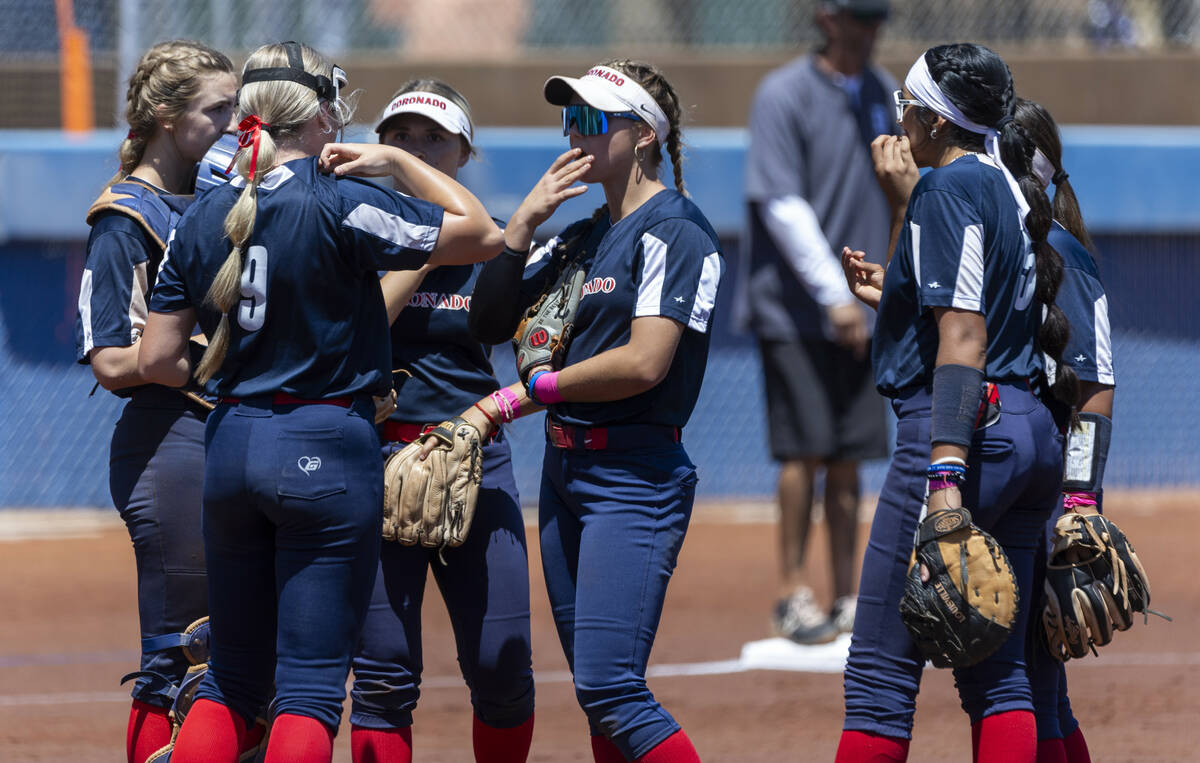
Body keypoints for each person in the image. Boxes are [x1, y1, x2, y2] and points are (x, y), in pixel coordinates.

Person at [137, 41, 504, 763]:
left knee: (233, 679)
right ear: (322, 116)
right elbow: (482, 232)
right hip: (327, 443)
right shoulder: (341, 200)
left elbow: (156, 357)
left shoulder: (208, 211)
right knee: (307, 689)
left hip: (233, 437)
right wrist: (399, 163)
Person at [469, 59, 722, 763]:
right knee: (598, 694)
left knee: (611, 687)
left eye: (590, 120)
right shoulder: (581, 235)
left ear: (644, 135)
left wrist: (530, 392)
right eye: (567, 118)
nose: (573, 134)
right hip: (567, 472)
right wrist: (522, 222)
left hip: (634, 477)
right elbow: (487, 320)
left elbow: (646, 362)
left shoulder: (676, 230)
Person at [832, 43, 1077, 761]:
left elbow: (965, 335)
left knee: (879, 673)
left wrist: (943, 476)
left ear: (936, 123)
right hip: (1027, 427)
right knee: (998, 676)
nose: (900, 118)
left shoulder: (944, 188)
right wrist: (897, 295)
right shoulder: (1008, 183)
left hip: (966, 433)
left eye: (908, 106)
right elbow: (982, 312)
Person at [348, 79, 536, 763]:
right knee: (383, 675)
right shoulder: (352, 238)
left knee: (502, 667)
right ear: (378, 150)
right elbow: (355, 328)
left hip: (474, 461)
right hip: (372, 462)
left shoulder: (496, 248)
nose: (415, 149)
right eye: (399, 137)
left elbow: (544, 353)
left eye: (434, 139)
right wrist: (428, 235)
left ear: (464, 153)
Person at [73, 39, 235, 763]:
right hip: (170, 439)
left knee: (237, 656)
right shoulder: (126, 215)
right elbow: (109, 356)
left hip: (227, 435)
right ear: (167, 116)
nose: (233, 123)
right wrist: (207, 359)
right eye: (217, 109)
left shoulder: (215, 196)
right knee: (178, 656)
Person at [739, 0, 897, 643]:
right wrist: (836, 297)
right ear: (827, 18)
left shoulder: (886, 94)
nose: (870, 29)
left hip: (864, 308)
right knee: (803, 451)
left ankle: (848, 597)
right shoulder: (783, 94)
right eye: (860, 17)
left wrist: (874, 297)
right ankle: (792, 594)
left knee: (851, 458)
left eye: (877, 18)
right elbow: (781, 204)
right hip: (797, 311)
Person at [1015, 96, 1108, 763]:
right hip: (1014, 475)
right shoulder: (1002, 239)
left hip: (1047, 490)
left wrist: (1080, 502)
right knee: (1042, 684)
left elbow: (1095, 387)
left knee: (1030, 679)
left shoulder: (1062, 255)